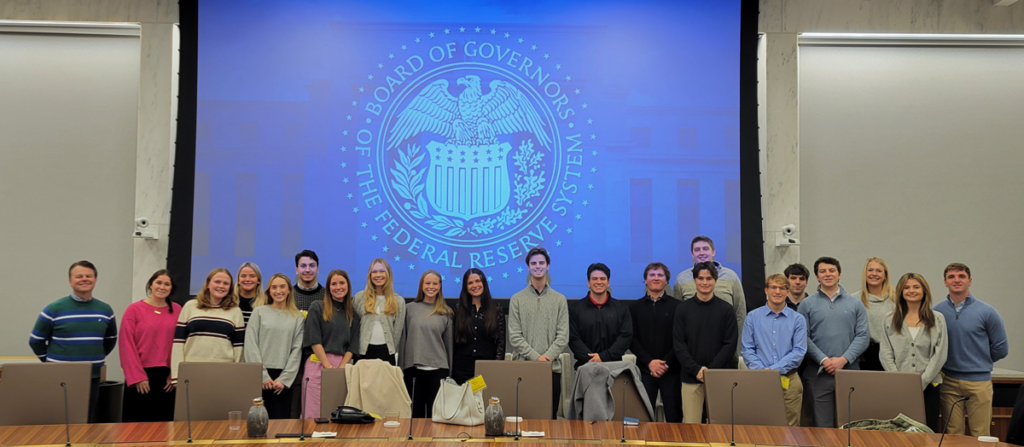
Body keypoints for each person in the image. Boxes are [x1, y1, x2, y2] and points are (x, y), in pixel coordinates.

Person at [29, 260, 117, 423]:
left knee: (86, 420)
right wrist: (50, 362)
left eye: (89, 276)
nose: (84, 279)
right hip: (60, 375)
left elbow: (110, 339)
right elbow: (36, 340)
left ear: (95, 279)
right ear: (70, 281)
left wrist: (94, 357)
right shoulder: (54, 309)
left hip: (92, 375)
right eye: (79, 276)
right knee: (59, 419)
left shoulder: (105, 310)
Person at [933, 263, 1008, 437]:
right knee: (952, 434)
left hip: (979, 383)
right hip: (949, 382)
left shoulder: (987, 312)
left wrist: (979, 360)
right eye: (951, 277)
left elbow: (1001, 348)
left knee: (980, 434)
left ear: (970, 281)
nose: (956, 280)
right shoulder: (937, 312)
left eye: (961, 276)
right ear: (945, 282)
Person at [797, 257, 869, 428]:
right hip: (818, 375)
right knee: (822, 427)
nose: (827, 274)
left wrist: (843, 360)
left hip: (849, 372)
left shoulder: (855, 304)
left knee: (849, 426)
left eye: (831, 270)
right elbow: (802, 337)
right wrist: (824, 360)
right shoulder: (806, 305)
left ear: (839, 275)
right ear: (817, 277)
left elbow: (863, 336)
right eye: (823, 271)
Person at [880, 273, 947, 432]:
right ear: (901, 292)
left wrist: (921, 382)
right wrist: (899, 380)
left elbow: (940, 354)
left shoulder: (937, 319)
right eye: (907, 287)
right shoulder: (889, 319)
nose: (912, 290)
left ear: (924, 291)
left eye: (916, 287)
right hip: (898, 387)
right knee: (899, 432)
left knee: (927, 431)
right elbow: (885, 353)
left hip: (929, 385)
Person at [673, 262, 738, 424]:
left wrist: (710, 371)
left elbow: (730, 344)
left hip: (719, 377)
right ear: (694, 280)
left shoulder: (726, 310)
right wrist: (696, 369)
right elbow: (679, 344)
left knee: (720, 429)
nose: (705, 282)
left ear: (715, 281)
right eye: (700, 278)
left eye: (709, 278)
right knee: (691, 428)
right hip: (691, 378)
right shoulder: (682, 309)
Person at [508, 247, 569, 418]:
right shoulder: (517, 299)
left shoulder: (560, 299)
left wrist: (546, 358)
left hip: (552, 368)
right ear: (528, 267)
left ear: (548, 266)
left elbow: (563, 335)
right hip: (524, 368)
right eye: (533, 263)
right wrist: (536, 357)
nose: (537, 266)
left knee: (549, 418)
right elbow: (514, 335)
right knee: (524, 417)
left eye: (541, 263)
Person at [741, 274, 807, 426]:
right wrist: (763, 372)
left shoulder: (797, 319)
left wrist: (773, 371)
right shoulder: (753, 317)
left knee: (791, 429)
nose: (778, 291)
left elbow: (798, 351)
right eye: (773, 287)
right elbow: (747, 349)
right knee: (761, 426)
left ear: (787, 292)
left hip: (789, 381)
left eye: (782, 288)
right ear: (766, 290)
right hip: (759, 380)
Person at [119, 269, 181, 422]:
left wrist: (174, 376)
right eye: (158, 282)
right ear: (151, 285)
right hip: (140, 378)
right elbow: (126, 344)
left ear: (171, 288)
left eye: (167, 284)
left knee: (164, 427)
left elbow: (181, 344)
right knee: (136, 428)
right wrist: (137, 377)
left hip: (167, 379)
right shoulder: (134, 310)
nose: (162, 287)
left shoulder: (178, 310)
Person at [244, 273, 305, 419]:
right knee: (257, 423)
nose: (278, 291)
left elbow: (297, 350)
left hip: (282, 380)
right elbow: (250, 344)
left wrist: (284, 379)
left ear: (289, 290)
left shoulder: (297, 317)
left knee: (280, 424)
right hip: (260, 377)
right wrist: (262, 376)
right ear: (269, 291)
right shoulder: (259, 312)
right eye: (274, 287)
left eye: (282, 286)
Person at [673, 236, 746, 357]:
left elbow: (740, 312)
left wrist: (735, 345)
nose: (701, 252)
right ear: (692, 254)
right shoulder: (681, 279)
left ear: (713, 252)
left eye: (705, 248)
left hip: (726, 348)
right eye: (697, 250)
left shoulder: (731, 276)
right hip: (693, 350)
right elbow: (678, 318)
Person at [171, 268, 245, 385]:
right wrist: (176, 375)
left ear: (230, 288)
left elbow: (238, 348)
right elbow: (178, 343)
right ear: (208, 284)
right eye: (217, 282)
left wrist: (235, 374)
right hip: (191, 370)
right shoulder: (190, 306)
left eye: (226, 283)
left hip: (224, 371)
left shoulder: (235, 311)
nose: (221, 286)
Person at [303, 269, 360, 419]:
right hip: (318, 363)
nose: (338, 287)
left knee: (337, 413)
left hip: (342, 365)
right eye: (333, 284)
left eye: (342, 283)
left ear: (348, 285)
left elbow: (353, 346)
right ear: (328, 288)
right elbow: (314, 339)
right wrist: (328, 367)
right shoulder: (317, 307)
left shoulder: (353, 314)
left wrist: (340, 369)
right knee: (313, 413)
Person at [630, 262, 682, 423]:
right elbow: (631, 339)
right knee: (641, 419)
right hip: (645, 371)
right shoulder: (634, 307)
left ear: (667, 281)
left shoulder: (678, 307)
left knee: (674, 419)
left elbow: (680, 340)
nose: (656, 278)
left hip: (672, 372)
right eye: (652, 275)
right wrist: (650, 362)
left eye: (660, 275)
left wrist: (665, 364)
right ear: (645, 280)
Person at [399, 270, 453, 418]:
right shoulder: (409, 309)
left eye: (435, 283)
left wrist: (449, 373)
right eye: (427, 283)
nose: (431, 286)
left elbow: (449, 347)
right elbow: (403, 341)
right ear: (422, 285)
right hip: (413, 370)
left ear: (440, 286)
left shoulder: (446, 312)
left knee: (435, 417)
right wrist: (401, 369)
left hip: (438, 371)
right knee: (415, 416)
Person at [568, 263, 633, 369]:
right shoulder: (575, 309)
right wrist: (592, 359)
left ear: (608, 282)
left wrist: (604, 357)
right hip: (585, 367)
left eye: (602, 278)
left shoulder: (621, 308)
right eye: (594, 279)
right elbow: (573, 338)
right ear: (588, 282)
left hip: (615, 368)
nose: (598, 282)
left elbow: (625, 336)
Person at [452, 268, 506, 384]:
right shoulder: (458, 309)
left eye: (477, 281)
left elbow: (501, 342)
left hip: (486, 367)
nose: (474, 285)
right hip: (461, 369)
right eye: (470, 283)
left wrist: (497, 366)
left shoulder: (496, 309)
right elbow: (453, 341)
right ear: (465, 287)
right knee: (464, 401)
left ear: (484, 283)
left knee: (482, 400)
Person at [353, 258, 406, 365]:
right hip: (363, 352)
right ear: (370, 275)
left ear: (388, 274)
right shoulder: (359, 297)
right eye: (374, 271)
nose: (378, 275)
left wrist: (392, 350)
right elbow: (353, 327)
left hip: (386, 353)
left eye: (382, 271)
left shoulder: (398, 301)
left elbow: (397, 332)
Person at [853, 257, 895, 371]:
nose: (874, 274)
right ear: (865, 274)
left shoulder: (896, 299)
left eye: (879, 271)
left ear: (885, 275)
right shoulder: (854, 300)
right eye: (870, 270)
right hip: (864, 358)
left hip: (892, 356)